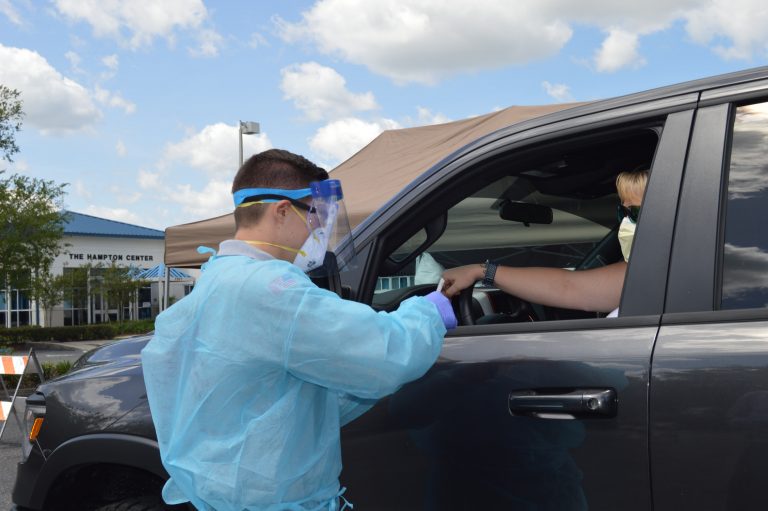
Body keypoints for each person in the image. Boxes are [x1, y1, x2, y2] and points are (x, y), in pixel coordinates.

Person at [141, 149, 457, 511]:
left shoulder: (218, 278)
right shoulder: (271, 289)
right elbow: (385, 354)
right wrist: (429, 310)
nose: (319, 229)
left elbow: (283, 398)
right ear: (280, 211)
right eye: (314, 215)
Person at [441, 169, 648, 316]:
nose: (625, 222)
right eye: (623, 211)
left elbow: (569, 288)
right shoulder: (646, 273)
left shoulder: (668, 274)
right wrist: (482, 271)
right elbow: (568, 287)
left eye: (636, 212)